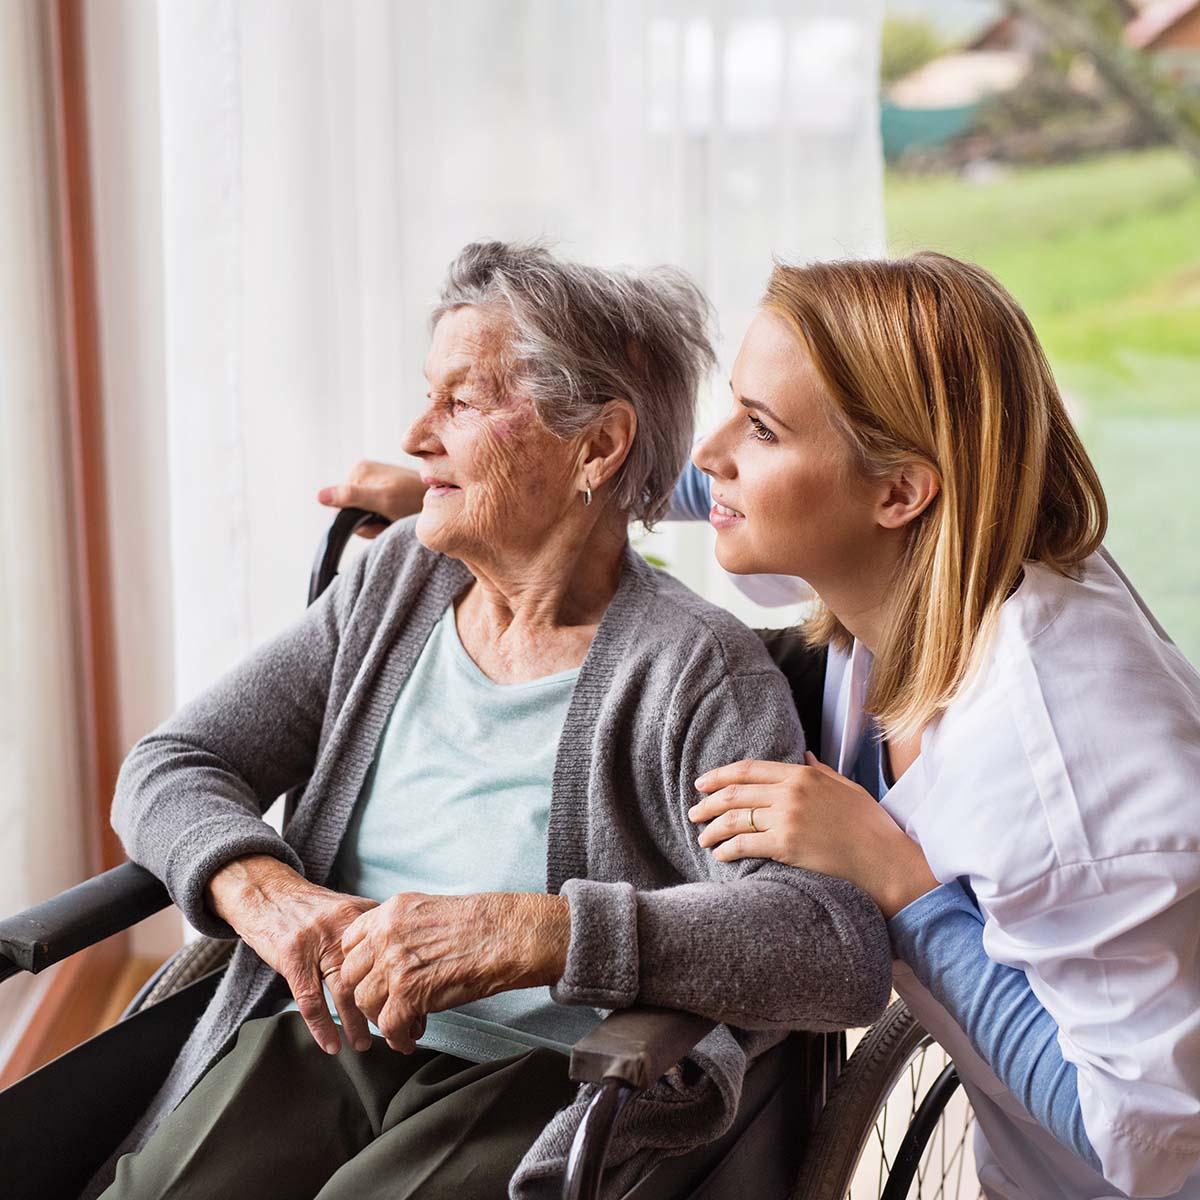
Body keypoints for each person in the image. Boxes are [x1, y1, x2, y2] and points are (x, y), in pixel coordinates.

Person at [334, 253, 1200, 1200]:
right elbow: (713, 481)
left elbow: (1143, 1138)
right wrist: (504, 490)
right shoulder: (932, 555)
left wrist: (900, 885)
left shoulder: (1065, 756)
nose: (710, 453)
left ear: (900, 491)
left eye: (760, 427)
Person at [89, 242, 892, 1200]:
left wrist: (540, 932)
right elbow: (174, 762)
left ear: (596, 447)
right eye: (430, 396)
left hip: (541, 1074)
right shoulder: (396, 588)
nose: (417, 434)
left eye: (461, 403)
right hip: (323, 1038)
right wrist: (271, 896)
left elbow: (829, 943)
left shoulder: (692, 669)